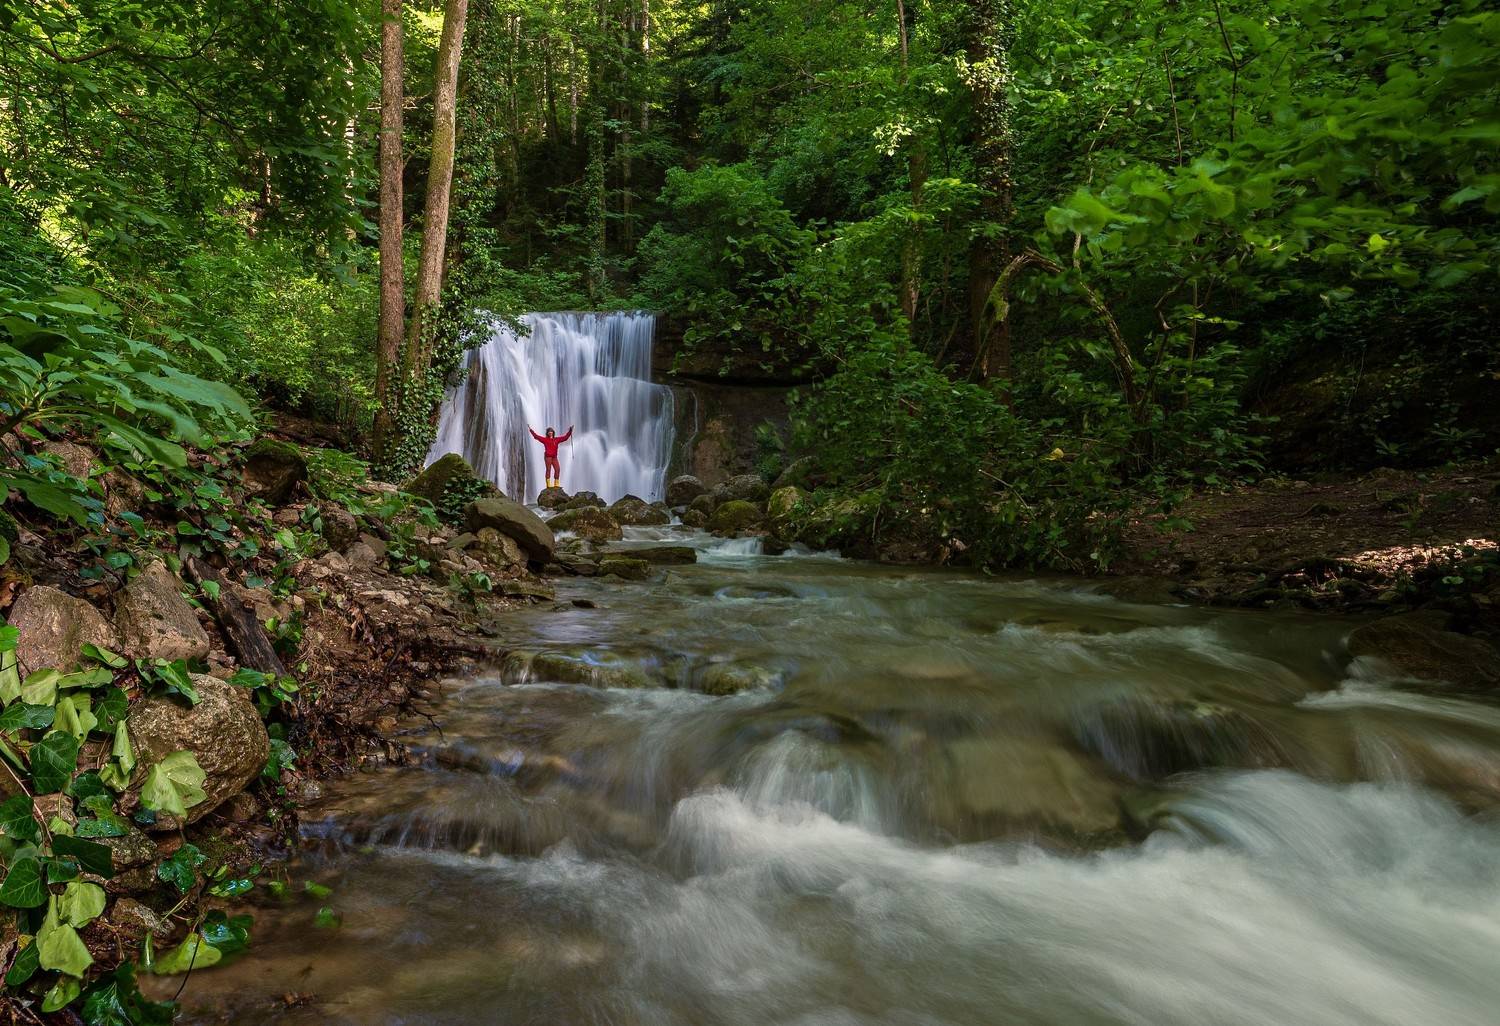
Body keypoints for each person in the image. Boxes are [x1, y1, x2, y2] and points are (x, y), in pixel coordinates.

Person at [529, 425, 573, 490]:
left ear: (553, 432)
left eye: (551, 431)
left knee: (557, 469)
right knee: (548, 470)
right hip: (548, 457)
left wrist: (570, 431)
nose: (550, 432)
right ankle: (548, 485)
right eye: (549, 432)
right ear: (547, 433)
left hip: (554, 457)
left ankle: (556, 485)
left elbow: (565, 438)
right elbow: (536, 436)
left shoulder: (557, 439)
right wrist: (530, 430)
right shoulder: (545, 440)